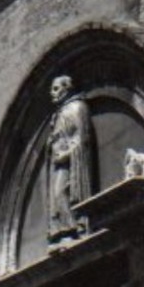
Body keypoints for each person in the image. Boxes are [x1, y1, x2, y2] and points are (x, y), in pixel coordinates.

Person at [46, 74, 96, 245]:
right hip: (58, 164)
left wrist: (66, 154)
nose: (52, 93)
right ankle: (62, 230)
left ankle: (73, 228)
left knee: (61, 192)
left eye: (56, 88)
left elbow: (82, 138)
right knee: (56, 195)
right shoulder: (59, 114)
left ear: (67, 88)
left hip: (70, 163)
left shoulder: (76, 108)